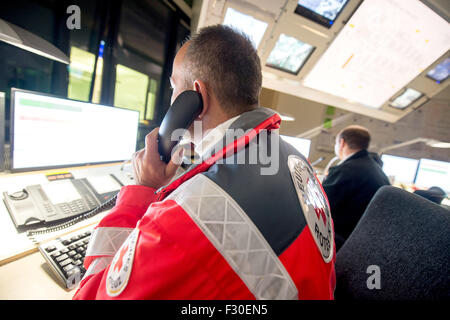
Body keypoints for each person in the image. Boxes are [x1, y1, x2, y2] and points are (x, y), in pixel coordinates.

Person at [73, 25, 336, 300]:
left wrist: (141, 191)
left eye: (174, 88)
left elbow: (90, 295)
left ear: (196, 98)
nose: (171, 100)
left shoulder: (193, 215)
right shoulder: (297, 162)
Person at [322, 125, 390, 251]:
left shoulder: (347, 169)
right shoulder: (374, 168)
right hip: (364, 240)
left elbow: (320, 204)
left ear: (342, 143)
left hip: (342, 240)